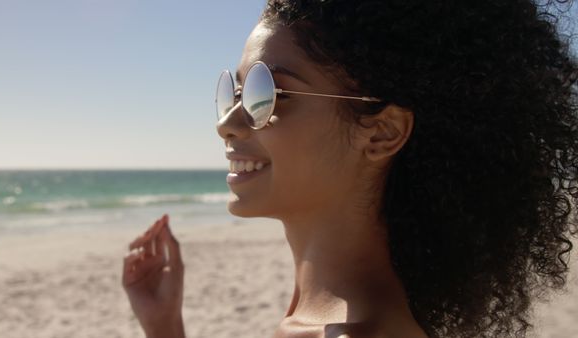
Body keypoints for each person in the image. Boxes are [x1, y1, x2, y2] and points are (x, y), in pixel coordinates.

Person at [122, 0, 578, 337]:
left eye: (269, 95)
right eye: (236, 92)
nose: (227, 124)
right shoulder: (325, 312)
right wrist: (165, 326)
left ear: (382, 133)